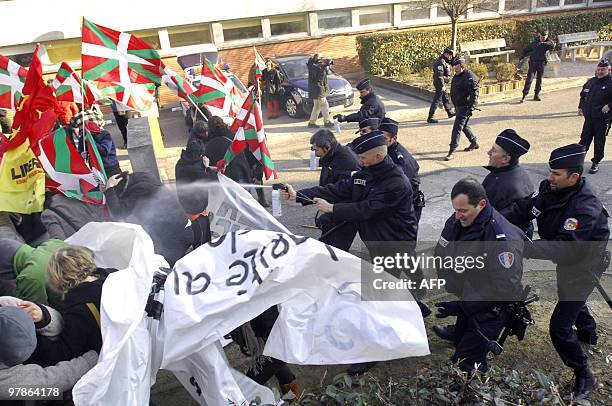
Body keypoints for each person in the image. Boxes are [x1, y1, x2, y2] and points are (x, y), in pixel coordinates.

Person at [503, 144, 609, 401]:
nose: (549, 178)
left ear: (574, 177)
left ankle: (584, 373)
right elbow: (524, 210)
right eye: (550, 171)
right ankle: (588, 330)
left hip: (584, 265)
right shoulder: (550, 190)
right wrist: (493, 220)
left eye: (556, 174)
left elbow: (568, 249)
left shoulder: (585, 207)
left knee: (560, 327)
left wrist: (524, 248)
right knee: (569, 295)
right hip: (569, 262)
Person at [434, 178, 524, 373]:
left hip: (491, 309)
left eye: (463, 210)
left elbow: (503, 289)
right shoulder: (460, 218)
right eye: (455, 209)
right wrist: (448, 280)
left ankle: (472, 392)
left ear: (481, 204)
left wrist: (461, 306)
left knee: (467, 362)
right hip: (471, 293)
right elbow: (442, 249)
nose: (457, 216)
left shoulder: (501, 240)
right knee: (460, 342)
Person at [0, 298, 98, 403]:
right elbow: (50, 385)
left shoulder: (4, 304)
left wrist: (43, 317)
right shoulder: (6, 386)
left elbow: (62, 324)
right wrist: (91, 361)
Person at [29, 245, 112, 366]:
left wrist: (33, 337)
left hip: (105, 360)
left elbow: (63, 353)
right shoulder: (114, 276)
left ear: (56, 278)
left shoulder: (79, 309)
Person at [103, 172, 192, 267]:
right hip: (176, 232)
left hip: (175, 239)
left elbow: (117, 212)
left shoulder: (142, 189)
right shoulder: (140, 178)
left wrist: (109, 190)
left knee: (166, 272)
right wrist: (110, 188)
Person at [309, 129, 360, 251]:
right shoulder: (332, 156)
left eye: (316, 150)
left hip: (344, 215)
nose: (315, 154)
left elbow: (338, 191)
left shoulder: (346, 161)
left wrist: (301, 195)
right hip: (334, 209)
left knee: (336, 251)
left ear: (327, 147)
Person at [483, 129, 535, 237]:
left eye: (494, 151)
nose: (488, 153)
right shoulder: (514, 172)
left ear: (505, 159)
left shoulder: (504, 185)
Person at [379, 117, 424, 231]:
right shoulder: (384, 150)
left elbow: (399, 186)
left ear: (394, 138)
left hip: (407, 207)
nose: (380, 141)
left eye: (384, 138)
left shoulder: (402, 160)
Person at [0, 238, 66, 308]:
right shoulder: (34, 280)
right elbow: (36, 309)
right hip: (8, 261)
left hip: (11, 247)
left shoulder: (62, 248)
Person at [175, 145, 219, 248]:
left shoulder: (181, 163)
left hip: (187, 204)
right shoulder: (194, 169)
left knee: (197, 234)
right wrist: (207, 167)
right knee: (202, 238)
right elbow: (213, 181)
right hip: (196, 209)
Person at [578, 59, 612, 174]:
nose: (600, 72)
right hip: (589, 118)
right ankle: (578, 161)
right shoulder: (591, 82)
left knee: (599, 141)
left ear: (609, 70)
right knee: (584, 140)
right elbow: (583, 95)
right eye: (598, 69)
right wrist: (580, 107)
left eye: (603, 70)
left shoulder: (610, 82)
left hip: (602, 119)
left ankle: (595, 162)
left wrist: (609, 105)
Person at [446, 57, 479, 161]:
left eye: (456, 67)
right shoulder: (457, 76)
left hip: (465, 106)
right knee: (463, 126)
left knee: (457, 128)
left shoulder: (469, 77)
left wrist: (471, 107)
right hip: (458, 105)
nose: (454, 70)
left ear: (462, 66)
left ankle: (451, 151)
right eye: (453, 68)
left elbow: (475, 94)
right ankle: (474, 142)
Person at [41, 192, 106, 240]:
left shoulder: (47, 215)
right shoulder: (71, 194)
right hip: (104, 232)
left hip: (88, 244)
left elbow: (58, 240)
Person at [204, 116, 251, 184]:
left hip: (226, 181)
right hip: (242, 174)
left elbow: (211, 167)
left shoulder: (209, 145)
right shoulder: (234, 137)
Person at [520, 30, 555, 103]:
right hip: (533, 63)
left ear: (547, 36)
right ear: (539, 36)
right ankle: (524, 95)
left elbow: (553, 45)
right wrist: (522, 56)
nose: (543, 38)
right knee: (529, 79)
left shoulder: (547, 43)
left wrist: (543, 43)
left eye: (545, 37)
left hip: (541, 63)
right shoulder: (534, 43)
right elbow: (526, 50)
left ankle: (536, 95)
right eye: (542, 37)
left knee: (539, 80)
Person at [428, 47, 455, 124]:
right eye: (450, 55)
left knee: (445, 97)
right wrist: (442, 85)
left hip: (442, 83)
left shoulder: (446, 61)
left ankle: (449, 112)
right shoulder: (440, 62)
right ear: (446, 54)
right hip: (439, 83)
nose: (450, 57)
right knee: (437, 100)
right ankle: (430, 117)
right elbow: (439, 75)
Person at [307, 53, 334, 129]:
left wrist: (327, 65)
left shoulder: (312, 66)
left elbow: (326, 71)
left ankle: (312, 122)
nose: (322, 61)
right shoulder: (315, 67)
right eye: (321, 60)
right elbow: (320, 78)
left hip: (316, 90)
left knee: (317, 106)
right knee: (324, 105)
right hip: (318, 90)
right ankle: (327, 122)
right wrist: (326, 65)